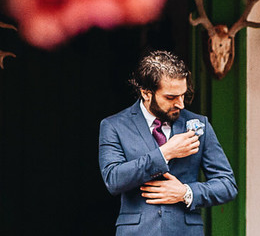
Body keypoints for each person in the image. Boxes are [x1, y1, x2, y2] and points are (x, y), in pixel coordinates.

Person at [98, 50, 237, 234]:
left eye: (183, 94)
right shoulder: (114, 126)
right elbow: (113, 179)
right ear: (146, 93)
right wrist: (165, 153)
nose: (181, 104)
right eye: (171, 97)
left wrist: (186, 193)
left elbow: (227, 185)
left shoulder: (199, 124)